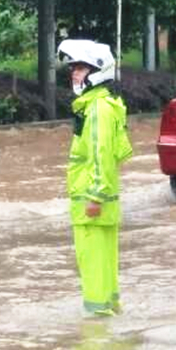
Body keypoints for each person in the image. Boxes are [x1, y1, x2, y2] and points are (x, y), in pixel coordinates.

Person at [56, 39, 133, 316]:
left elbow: (102, 156)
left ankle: (97, 324)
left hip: (91, 201)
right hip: (96, 201)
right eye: (73, 68)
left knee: (92, 261)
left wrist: (95, 197)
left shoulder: (98, 108)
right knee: (103, 261)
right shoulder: (99, 105)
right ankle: (109, 310)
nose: (74, 73)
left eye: (79, 68)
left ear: (96, 71)